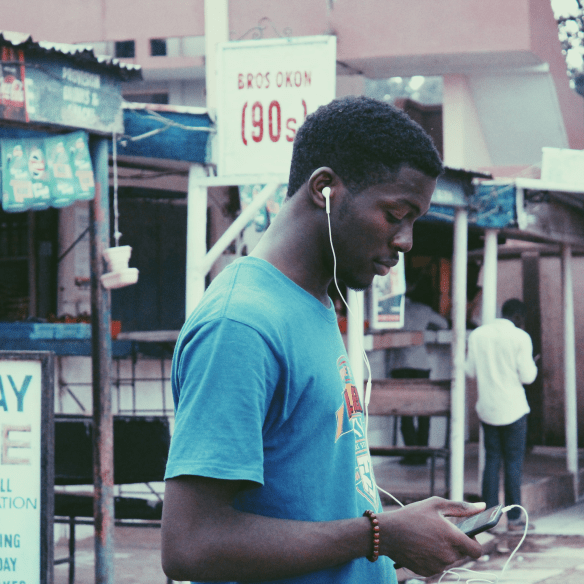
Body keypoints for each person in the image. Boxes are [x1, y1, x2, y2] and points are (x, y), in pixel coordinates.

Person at [161, 96, 485, 584]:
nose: (406, 241)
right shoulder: (242, 325)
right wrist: (381, 535)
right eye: (396, 213)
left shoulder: (312, 305)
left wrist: (397, 548)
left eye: (414, 221)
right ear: (325, 189)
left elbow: (309, 509)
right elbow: (191, 544)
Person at [465, 298, 538, 531]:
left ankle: (489, 520)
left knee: (491, 461)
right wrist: (533, 364)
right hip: (514, 409)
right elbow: (528, 377)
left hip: (487, 409)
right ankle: (515, 518)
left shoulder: (477, 335)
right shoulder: (520, 337)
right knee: (513, 463)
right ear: (518, 317)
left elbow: (469, 371)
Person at [389, 276, 449, 464]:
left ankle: (411, 453)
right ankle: (423, 452)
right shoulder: (423, 310)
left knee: (404, 412)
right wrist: (425, 332)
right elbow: (444, 325)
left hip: (400, 366)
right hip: (421, 364)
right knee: (424, 412)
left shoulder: (391, 311)